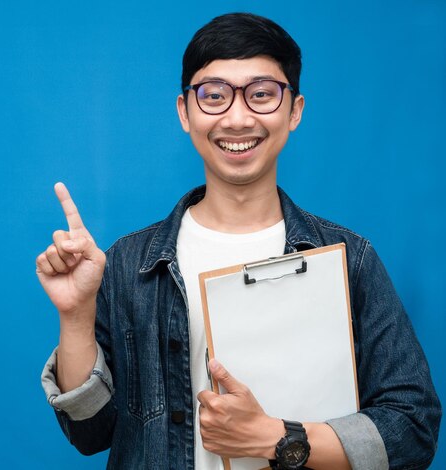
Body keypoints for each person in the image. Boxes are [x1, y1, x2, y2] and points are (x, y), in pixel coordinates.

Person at [36, 12, 441, 470]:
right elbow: (90, 433)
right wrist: (75, 316)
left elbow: (413, 429)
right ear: (185, 112)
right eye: (214, 96)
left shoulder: (350, 260)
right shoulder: (129, 263)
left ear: (295, 111)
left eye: (262, 95)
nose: (238, 117)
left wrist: (278, 439)